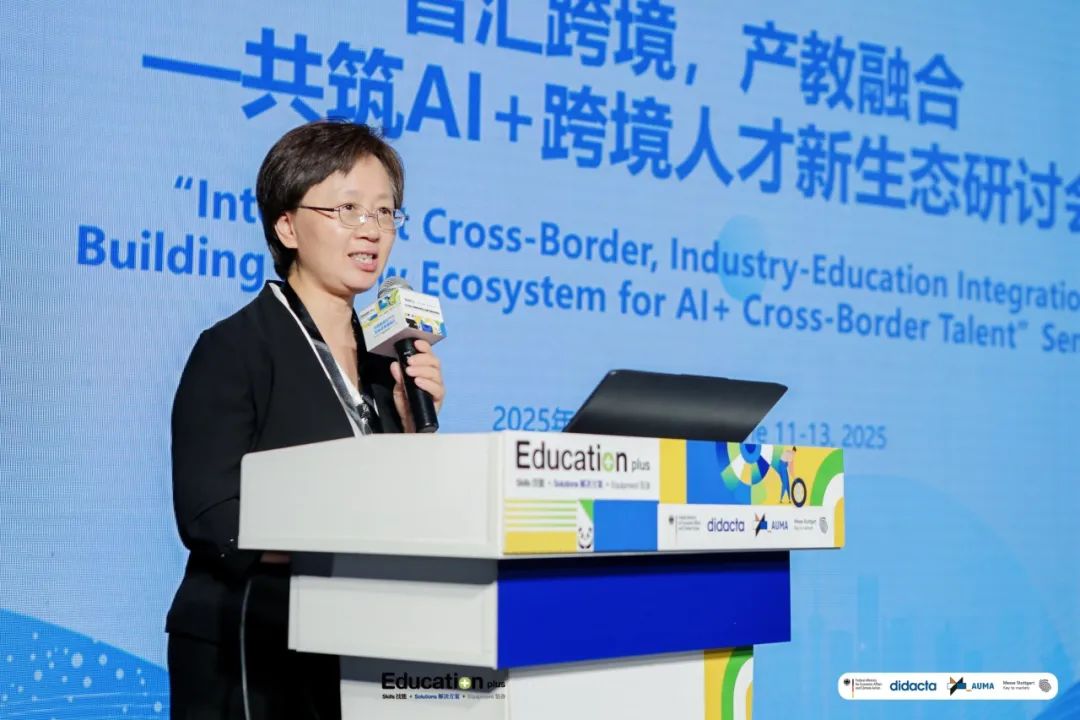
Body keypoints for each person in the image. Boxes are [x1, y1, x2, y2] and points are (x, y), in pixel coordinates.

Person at [165, 120, 445, 719]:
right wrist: (339, 543)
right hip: (249, 644)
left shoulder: (387, 365)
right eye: (347, 209)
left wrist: (413, 432)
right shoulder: (234, 348)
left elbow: (401, 516)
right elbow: (212, 516)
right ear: (287, 226)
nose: (371, 229)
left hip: (354, 640)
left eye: (384, 212)